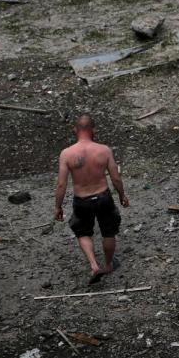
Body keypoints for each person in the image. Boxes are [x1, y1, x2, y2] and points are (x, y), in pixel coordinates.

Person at [54, 115, 130, 283]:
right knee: (109, 231)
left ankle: (94, 265)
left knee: (83, 232)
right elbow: (115, 177)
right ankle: (109, 264)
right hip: (103, 196)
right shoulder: (104, 150)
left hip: (82, 200)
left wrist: (58, 207)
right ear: (94, 130)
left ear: (75, 130)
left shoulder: (66, 154)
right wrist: (122, 195)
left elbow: (61, 184)